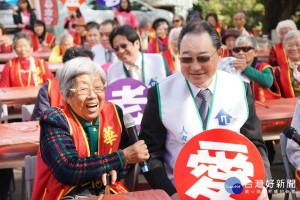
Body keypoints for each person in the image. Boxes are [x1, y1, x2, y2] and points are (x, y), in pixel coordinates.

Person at [139, 20, 271, 200]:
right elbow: (150, 152)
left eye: (203, 58)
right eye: (186, 59)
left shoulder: (239, 88)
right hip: (183, 192)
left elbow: (255, 143)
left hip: (233, 190)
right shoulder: (160, 93)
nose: (195, 67)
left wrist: (262, 184)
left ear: (220, 54)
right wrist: (169, 193)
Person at [31, 57, 150, 199]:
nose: (92, 95)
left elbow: (129, 160)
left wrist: (111, 169)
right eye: (83, 89)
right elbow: (67, 169)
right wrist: (119, 159)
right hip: (64, 194)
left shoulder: (114, 112)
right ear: (67, 94)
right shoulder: (54, 119)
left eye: (98, 87)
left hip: (108, 192)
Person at [31, 47, 94, 121]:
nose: (90, 70)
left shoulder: (96, 87)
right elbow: (40, 119)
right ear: (68, 67)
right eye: (85, 66)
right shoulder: (49, 88)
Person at [231, 35, 281, 101]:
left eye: (245, 49)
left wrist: (246, 68)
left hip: (262, 108)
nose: (240, 52)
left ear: (255, 52)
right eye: (237, 50)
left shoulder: (263, 66)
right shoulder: (230, 66)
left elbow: (267, 82)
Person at [274, 30, 300, 98]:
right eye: (290, 45)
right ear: (284, 47)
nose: (294, 48)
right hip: (290, 107)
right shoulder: (279, 71)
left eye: (298, 45)